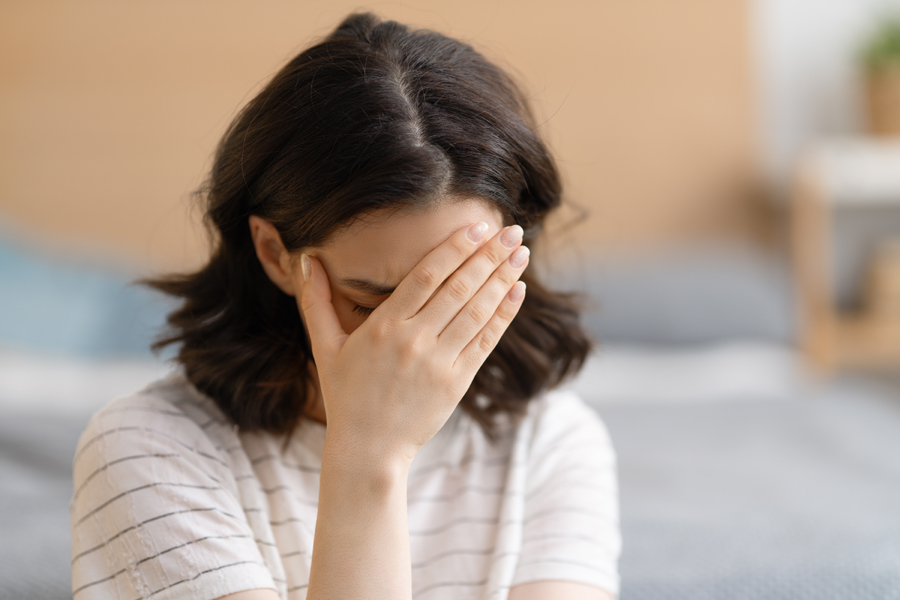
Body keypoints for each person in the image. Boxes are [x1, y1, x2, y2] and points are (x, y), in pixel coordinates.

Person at [70, 12, 620, 600]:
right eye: (373, 304)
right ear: (275, 253)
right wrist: (369, 457)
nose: (411, 343)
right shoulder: (148, 450)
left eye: (459, 292)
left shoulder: (551, 441)